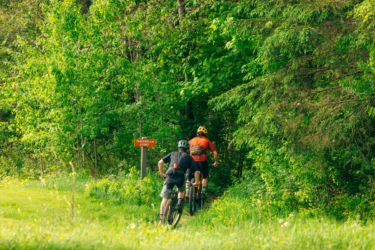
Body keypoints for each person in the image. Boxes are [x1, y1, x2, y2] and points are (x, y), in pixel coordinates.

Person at [158, 140, 199, 223]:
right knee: (181, 190)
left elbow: (160, 162)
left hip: (169, 176)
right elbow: (197, 172)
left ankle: (161, 219)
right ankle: (180, 200)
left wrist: (162, 173)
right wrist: (196, 182)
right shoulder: (189, 158)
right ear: (187, 150)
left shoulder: (172, 154)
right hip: (180, 177)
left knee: (165, 199)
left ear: (178, 148)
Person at [186, 126, 219, 199]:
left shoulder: (191, 141)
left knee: (189, 178)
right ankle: (202, 193)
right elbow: (215, 153)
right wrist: (216, 162)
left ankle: (187, 193)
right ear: (205, 134)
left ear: (197, 133)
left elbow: (185, 150)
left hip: (191, 160)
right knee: (204, 177)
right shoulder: (206, 140)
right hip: (202, 160)